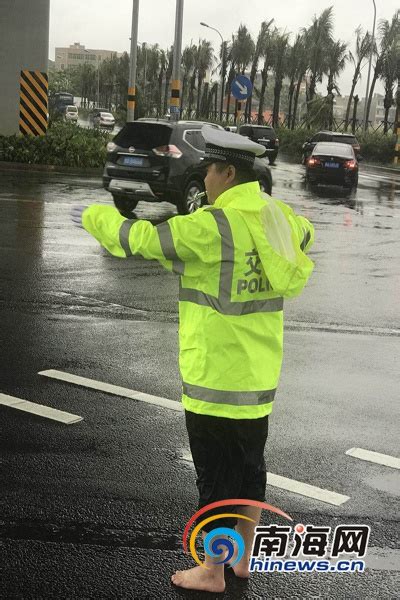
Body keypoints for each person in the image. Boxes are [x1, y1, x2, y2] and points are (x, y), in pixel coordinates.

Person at [71, 125, 315, 593]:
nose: (204, 180)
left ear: (228, 172)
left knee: (216, 481)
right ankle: (241, 561)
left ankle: (212, 571)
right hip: (259, 377)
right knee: (249, 471)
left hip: (215, 379)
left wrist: (95, 217)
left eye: (209, 171)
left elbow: (141, 240)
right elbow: (307, 235)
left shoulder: (213, 226)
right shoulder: (279, 217)